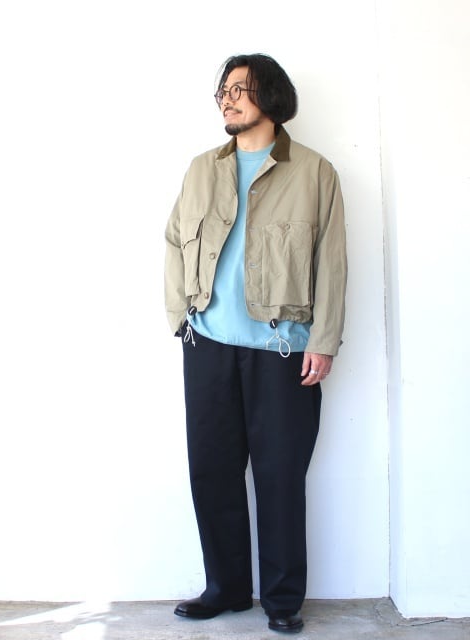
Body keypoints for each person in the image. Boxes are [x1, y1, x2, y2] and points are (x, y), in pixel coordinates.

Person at [164, 53, 347, 634]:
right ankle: (226, 588)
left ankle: (283, 600)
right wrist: (179, 318)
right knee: (211, 473)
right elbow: (173, 241)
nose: (228, 98)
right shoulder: (201, 169)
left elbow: (331, 263)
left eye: (240, 88)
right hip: (208, 345)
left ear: (271, 96)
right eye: (223, 89)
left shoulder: (314, 173)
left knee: (279, 478)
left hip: (282, 352)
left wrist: (325, 340)